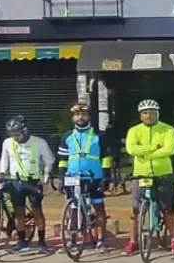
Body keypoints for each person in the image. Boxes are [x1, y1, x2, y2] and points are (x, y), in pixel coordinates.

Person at [123, 100, 174, 255]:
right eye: (145, 113)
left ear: (157, 113)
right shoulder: (134, 130)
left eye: (151, 112)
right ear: (141, 115)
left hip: (163, 173)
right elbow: (131, 149)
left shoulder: (167, 129)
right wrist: (154, 147)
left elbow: (169, 149)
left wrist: (143, 152)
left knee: (168, 209)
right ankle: (132, 241)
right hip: (141, 174)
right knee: (136, 210)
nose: (148, 115)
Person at [58, 103, 115, 252]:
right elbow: (63, 158)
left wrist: (105, 177)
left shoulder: (99, 134)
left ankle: (101, 240)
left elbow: (106, 156)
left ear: (89, 116)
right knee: (72, 208)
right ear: (73, 118)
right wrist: (60, 177)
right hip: (72, 176)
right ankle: (72, 239)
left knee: (99, 207)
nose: (80, 117)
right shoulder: (67, 136)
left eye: (83, 114)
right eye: (77, 114)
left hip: (94, 176)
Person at [0, 116, 54, 254]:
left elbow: (49, 161)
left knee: (37, 211)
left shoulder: (39, 142)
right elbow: (4, 159)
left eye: (17, 134)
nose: (15, 137)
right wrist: (2, 173)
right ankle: (22, 242)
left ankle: (42, 242)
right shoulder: (7, 143)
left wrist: (46, 177)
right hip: (15, 181)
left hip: (33, 181)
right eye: (12, 134)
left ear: (25, 130)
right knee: (18, 212)